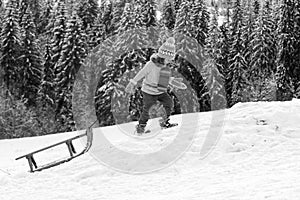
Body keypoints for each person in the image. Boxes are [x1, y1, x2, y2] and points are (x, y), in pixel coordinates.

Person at [125, 37, 180, 134]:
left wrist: (172, 81)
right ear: (162, 56)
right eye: (168, 59)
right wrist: (132, 82)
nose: (170, 61)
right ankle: (141, 127)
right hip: (148, 91)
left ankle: (164, 122)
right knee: (147, 109)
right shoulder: (151, 64)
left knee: (169, 103)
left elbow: (162, 78)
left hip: (160, 91)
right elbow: (141, 73)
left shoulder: (164, 66)